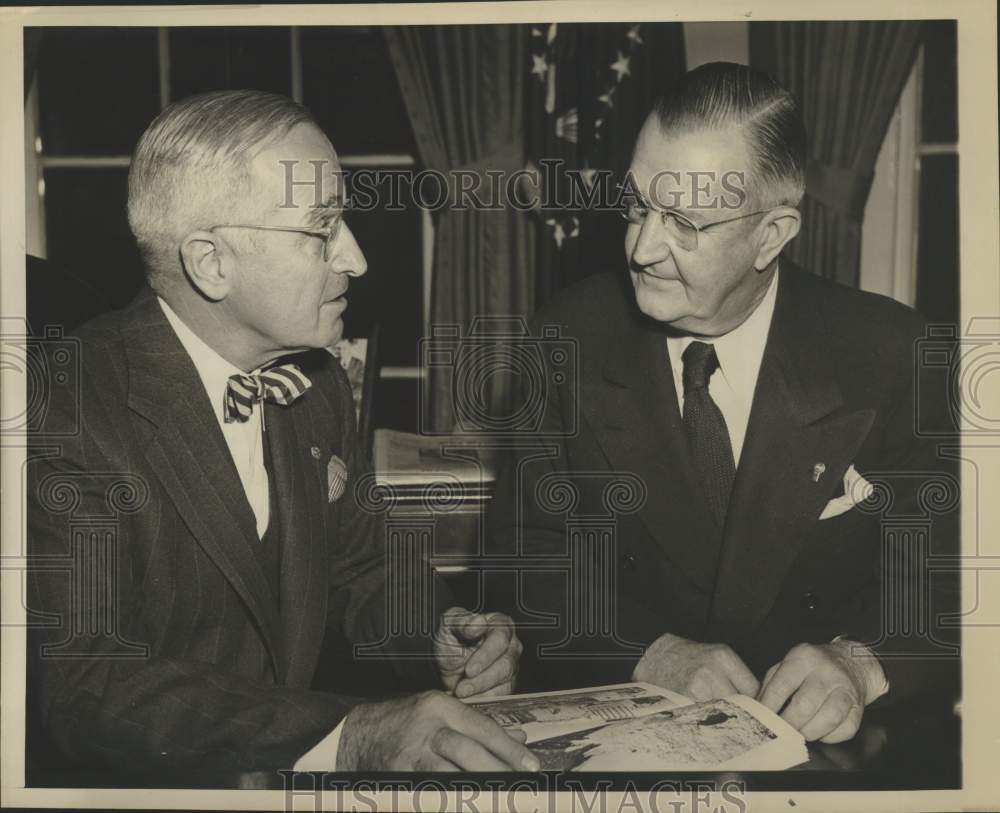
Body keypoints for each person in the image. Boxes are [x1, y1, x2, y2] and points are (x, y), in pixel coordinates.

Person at [27, 90, 537, 775]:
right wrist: (349, 733)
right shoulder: (63, 410)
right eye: (319, 228)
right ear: (211, 262)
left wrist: (438, 635)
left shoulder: (318, 383)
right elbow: (89, 683)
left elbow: (361, 565)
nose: (354, 258)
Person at [489, 62, 959, 745]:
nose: (641, 247)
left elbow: (949, 574)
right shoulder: (564, 337)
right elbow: (528, 556)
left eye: (684, 222)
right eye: (637, 204)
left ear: (771, 235)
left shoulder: (891, 352)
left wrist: (861, 663)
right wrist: (646, 651)